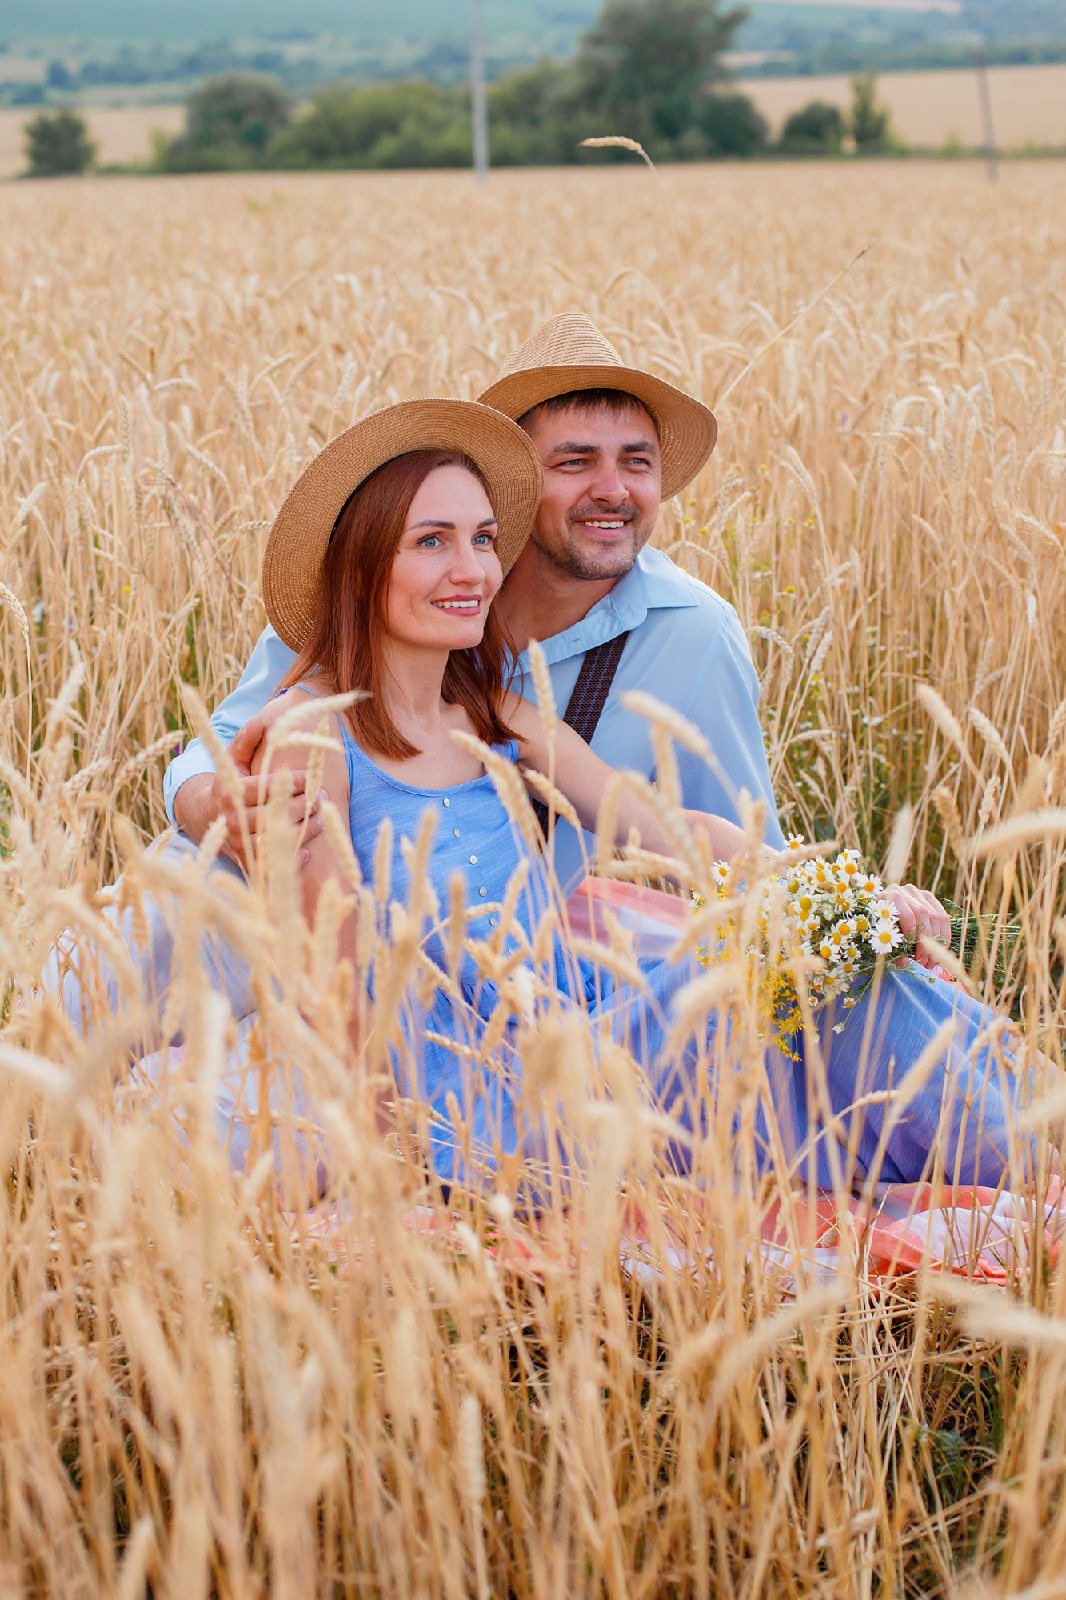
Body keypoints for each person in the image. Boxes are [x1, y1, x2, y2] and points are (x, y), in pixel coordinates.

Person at [190, 394, 1029, 1199]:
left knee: (838, 966)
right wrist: (393, 1172)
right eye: (432, 542)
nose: (472, 570)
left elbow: (664, 826)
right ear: (365, 562)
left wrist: (846, 900)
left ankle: (1033, 1147)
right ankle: (1030, 1157)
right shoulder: (311, 733)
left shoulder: (493, 713)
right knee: (784, 961)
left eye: (483, 539)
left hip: (588, 1031)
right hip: (486, 1102)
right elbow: (333, 986)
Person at [164, 314, 787, 899]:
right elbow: (226, 752)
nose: (612, 490)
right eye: (574, 461)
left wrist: (828, 900)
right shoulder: (331, 679)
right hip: (269, 938)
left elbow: (698, 833)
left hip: (520, 958)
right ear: (512, 482)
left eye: (637, 462)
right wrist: (210, 805)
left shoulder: (678, 642)